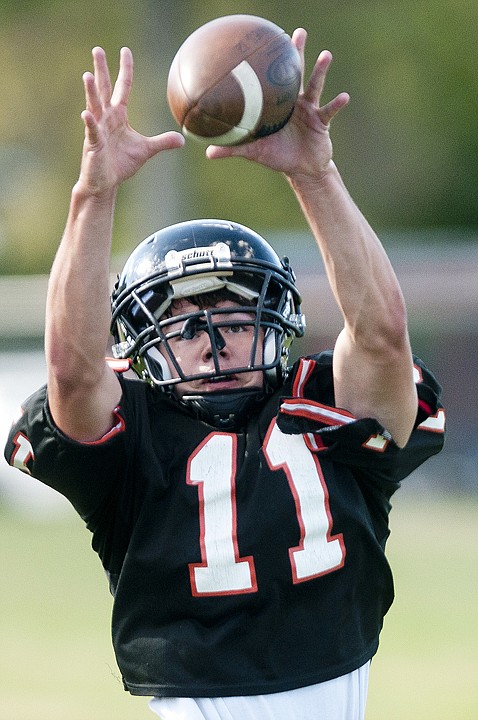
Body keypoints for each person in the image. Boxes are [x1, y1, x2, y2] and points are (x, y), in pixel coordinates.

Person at [4, 28, 445, 720]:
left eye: (234, 319)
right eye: (185, 324)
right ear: (143, 345)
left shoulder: (323, 402)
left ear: (276, 322)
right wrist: (93, 194)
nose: (212, 340)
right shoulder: (133, 434)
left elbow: (383, 335)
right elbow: (74, 369)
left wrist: (315, 174)